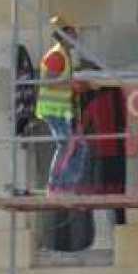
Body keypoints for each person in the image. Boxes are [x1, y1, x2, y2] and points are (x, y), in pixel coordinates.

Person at [35, 15, 89, 193]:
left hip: (64, 110)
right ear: (63, 35)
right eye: (73, 33)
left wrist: (74, 86)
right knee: (66, 144)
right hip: (54, 110)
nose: (76, 37)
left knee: (79, 146)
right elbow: (48, 82)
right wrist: (72, 84)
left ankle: (66, 185)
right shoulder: (57, 55)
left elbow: (61, 82)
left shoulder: (64, 55)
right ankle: (56, 185)